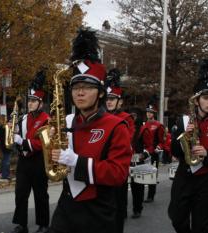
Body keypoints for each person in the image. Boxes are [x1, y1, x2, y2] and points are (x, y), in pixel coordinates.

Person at [50, 28, 132, 233]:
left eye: (87, 87)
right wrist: (50, 150)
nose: (79, 92)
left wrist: (76, 161)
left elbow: (118, 174)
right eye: (76, 87)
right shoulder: (66, 122)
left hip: (99, 211)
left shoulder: (116, 126)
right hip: (67, 206)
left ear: (101, 94)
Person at [168, 59, 208, 233]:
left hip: (207, 180)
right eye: (205, 98)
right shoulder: (183, 121)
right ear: (196, 100)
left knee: (201, 225)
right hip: (184, 175)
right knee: (176, 218)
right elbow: (173, 150)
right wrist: (184, 138)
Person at [10, 70, 50, 233]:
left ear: (40, 103)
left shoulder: (47, 119)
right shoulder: (24, 118)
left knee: (40, 194)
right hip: (24, 161)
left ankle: (43, 223)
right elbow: (17, 135)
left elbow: (42, 143)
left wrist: (23, 142)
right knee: (20, 193)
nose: (30, 103)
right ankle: (22, 224)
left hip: (39, 160)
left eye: (34, 101)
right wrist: (12, 133)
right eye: (30, 100)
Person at [105, 68, 135, 233]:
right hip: (101, 167)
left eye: (113, 99)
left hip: (117, 166)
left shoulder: (126, 119)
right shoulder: (100, 117)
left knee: (118, 207)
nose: (109, 102)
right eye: (107, 98)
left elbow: (127, 141)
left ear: (120, 102)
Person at [130, 108, 154, 219]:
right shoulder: (124, 127)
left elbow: (150, 146)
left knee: (137, 187)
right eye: (131, 115)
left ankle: (137, 209)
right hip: (125, 161)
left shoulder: (143, 130)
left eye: (134, 115)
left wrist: (143, 155)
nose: (132, 118)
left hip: (138, 161)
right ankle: (121, 212)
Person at [144, 98, 165, 203]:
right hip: (144, 153)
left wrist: (158, 148)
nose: (148, 114)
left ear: (154, 113)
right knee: (143, 173)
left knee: (152, 174)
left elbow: (162, 141)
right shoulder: (143, 125)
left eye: (151, 112)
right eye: (147, 112)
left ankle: (150, 195)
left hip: (153, 153)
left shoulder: (158, 125)